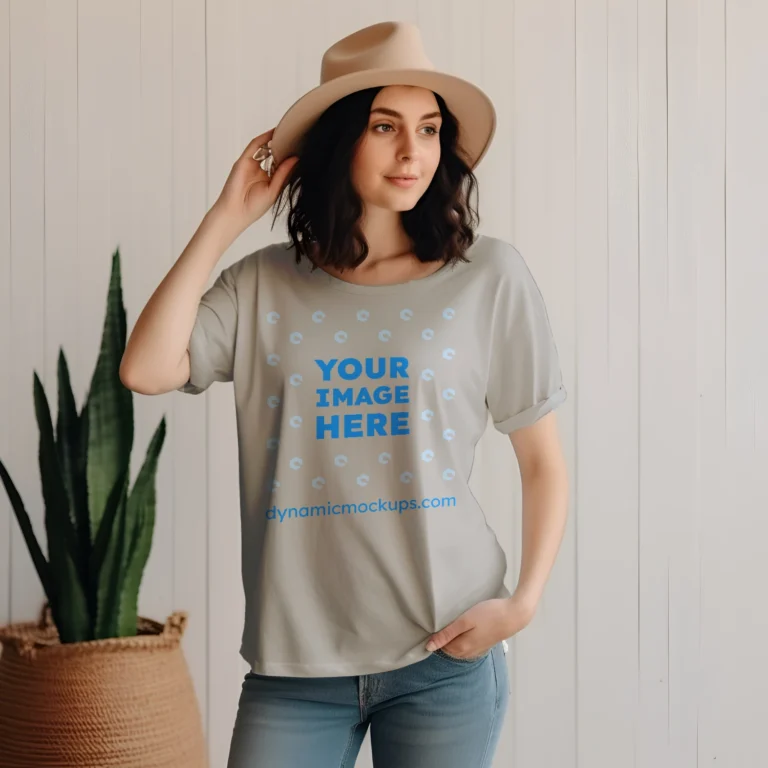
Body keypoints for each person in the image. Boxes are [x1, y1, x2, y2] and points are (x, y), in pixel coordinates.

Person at [120, 20, 569, 768]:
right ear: (338, 142)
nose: (411, 152)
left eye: (428, 129)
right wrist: (227, 217)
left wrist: (522, 603)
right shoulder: (264, 284)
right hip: (296, 669)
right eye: (385, 126)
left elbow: (542, 462)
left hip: (444, 653)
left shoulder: (490, 277)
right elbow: (145, 369)